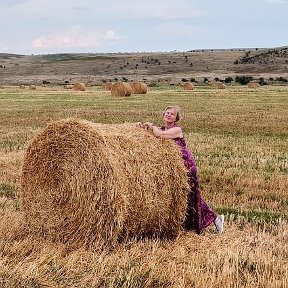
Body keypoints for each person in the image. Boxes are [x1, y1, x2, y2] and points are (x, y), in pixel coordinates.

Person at [136, 105, 224, 234]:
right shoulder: (162, 128)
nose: (168, 115)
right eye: (167, 113)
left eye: (172, 114)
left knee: (192, 196)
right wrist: (141, 126)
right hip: (174, 169)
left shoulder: (177, 130)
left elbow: (159, 135)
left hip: (186, 167)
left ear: (176, 118)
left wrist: (152, 127)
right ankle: (197, 222)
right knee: (184, 197)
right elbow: (150, 133)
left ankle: (215, 219)